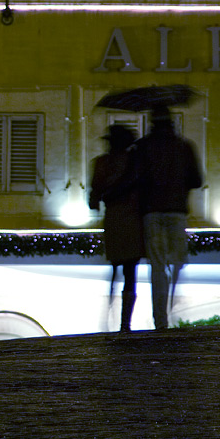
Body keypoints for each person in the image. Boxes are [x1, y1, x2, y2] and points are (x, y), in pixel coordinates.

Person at [131, 105, 203, 329]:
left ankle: (159, 317)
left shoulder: (142, 147)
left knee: (157, 265)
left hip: (151, 211)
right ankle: (171, 305)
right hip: (176, 210)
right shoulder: (184, 146)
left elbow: (136, 179)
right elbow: (197, 180)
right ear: (172, 124)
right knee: (177, 261)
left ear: (153, 124)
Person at [89, 124, 144, 333]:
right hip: (132, 218)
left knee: (115, 269)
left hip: (113, 218)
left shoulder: (101, 163)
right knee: (131, 272)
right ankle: (124, 323)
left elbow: (93, 197)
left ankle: (110, 315)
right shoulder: (135, 164)